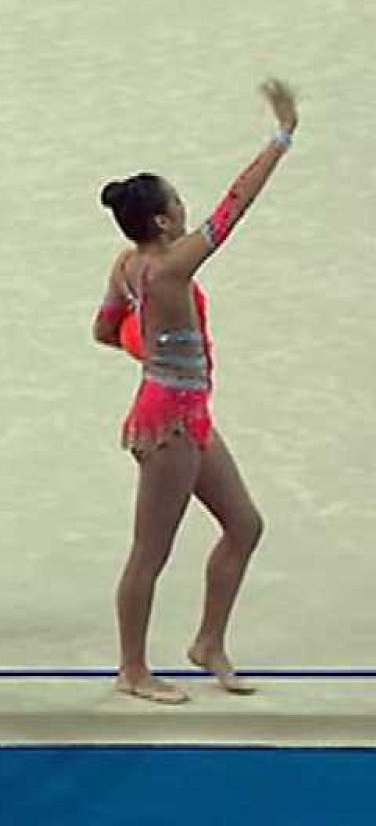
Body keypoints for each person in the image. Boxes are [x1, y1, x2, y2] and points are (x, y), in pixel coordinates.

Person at [94, 79, 298, 704]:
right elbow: (235, 205)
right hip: (169, 424)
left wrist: (149, 347)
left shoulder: (127, 265)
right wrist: (281, 137)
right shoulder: (172, 265)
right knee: (149, 553)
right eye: (178, 202)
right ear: (163, 220)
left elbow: (104, 330)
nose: (187, 208)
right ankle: (132, 670)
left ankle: (208, 643)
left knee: (245, 524)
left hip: (184, 411)